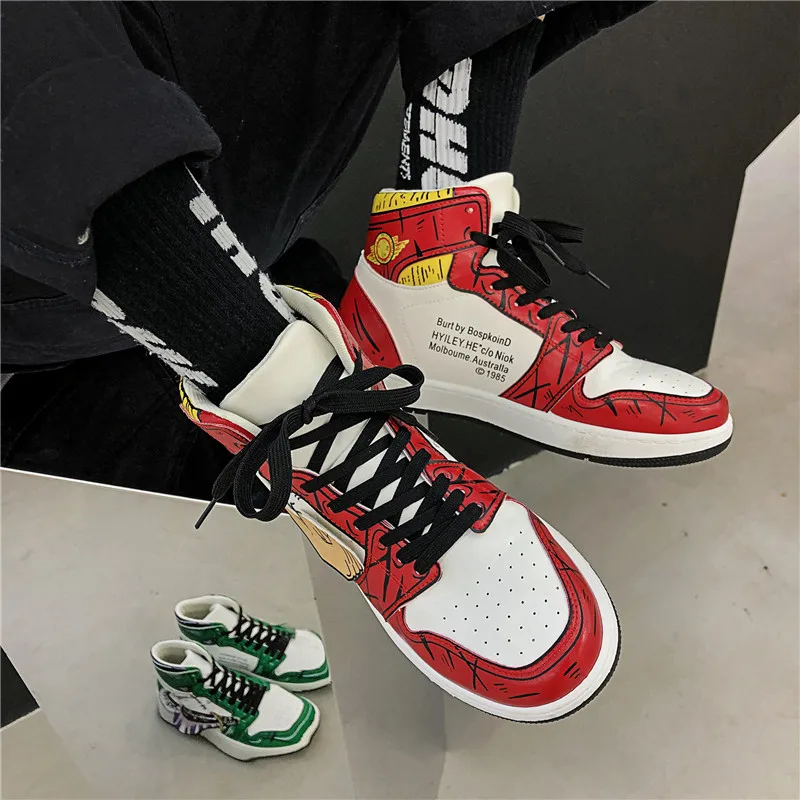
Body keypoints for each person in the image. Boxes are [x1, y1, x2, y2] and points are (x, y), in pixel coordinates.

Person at [1, 1, 649, 498]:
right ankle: (314, 414)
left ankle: (433, 276)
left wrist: (448, 214)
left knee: (311, 586)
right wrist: (292, 395)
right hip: (78, 307)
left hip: (270, 268)